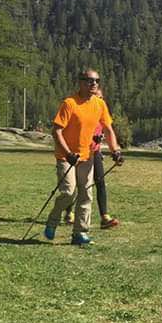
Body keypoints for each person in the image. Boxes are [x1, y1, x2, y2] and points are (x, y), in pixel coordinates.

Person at [44, 69, 123, 245]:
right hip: (66, 157)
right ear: (80, 82)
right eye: (89, 80)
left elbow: (108, 129)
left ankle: (80, 232)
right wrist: (68, 153)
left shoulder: (100, 104)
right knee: (68, 193)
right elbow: (56, 131)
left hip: (87, 156)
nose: (93, 83)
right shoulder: (70, 103)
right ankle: (53, 220)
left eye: (96, 80)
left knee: (86, 194)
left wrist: (115, 150)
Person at [64, 88, 120, 229]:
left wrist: (115, 150)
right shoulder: (84, 112)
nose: (98, 100)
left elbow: (108, 131)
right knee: (76, 184)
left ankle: (104, 217)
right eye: (96, 96)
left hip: (95, 152)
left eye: (101, 98)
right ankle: (69, 212)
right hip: (79, 153)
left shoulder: (101, 114)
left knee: (100, 182)